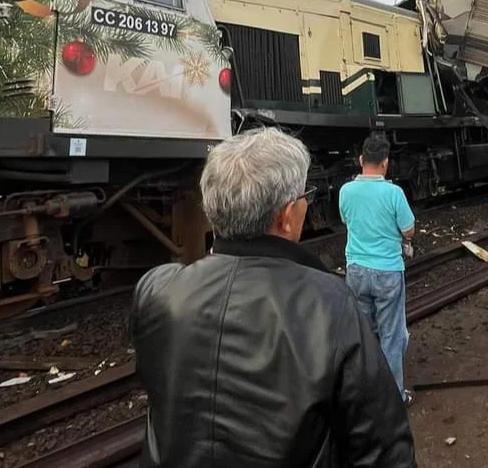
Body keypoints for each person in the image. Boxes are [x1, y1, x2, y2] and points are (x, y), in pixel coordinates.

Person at [130, 127, 416, 467]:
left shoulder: (157, 290)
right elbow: (383, 451)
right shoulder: (330, 305)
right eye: (304, 196)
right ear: (285, 215)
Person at [338, 134, 416, 406]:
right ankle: (394, 398)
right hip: (387, 272)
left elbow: (346, 220)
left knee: (362, 334)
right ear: (385, 163)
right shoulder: (394, 194)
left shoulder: (345, 191)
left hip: (356, 271)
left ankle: (363, 394)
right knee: (392, 336)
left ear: (361, 160)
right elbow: (408, 230)